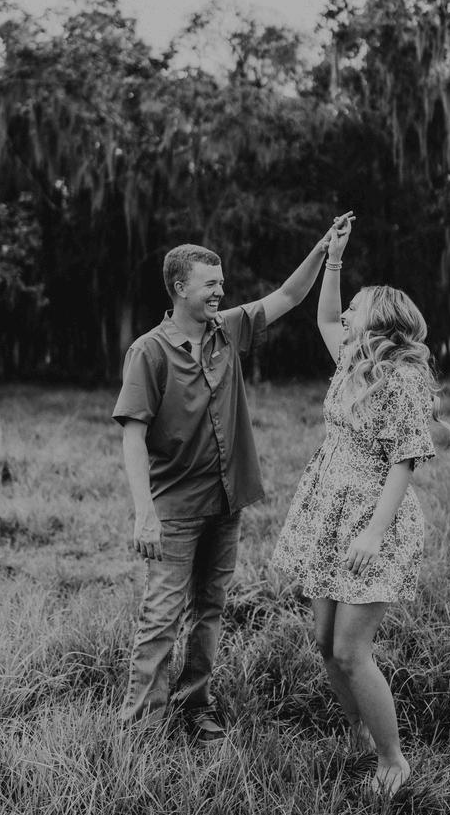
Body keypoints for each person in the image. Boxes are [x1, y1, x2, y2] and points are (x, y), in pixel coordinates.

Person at [112, 213, 354, 742]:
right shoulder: (149, 351)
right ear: (180, 288)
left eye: (221, 283)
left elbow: (288, 296)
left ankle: (194, 705)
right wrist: (144, 513)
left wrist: (323, 250)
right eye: (210, 284)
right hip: (175, 508)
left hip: (226, 501)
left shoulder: (228, 329)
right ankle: (140, 730)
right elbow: (132, 435)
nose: (220, 291)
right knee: (162, 616)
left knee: (210, 611)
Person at [272, 216, 449, 797]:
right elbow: (324, 317)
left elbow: (406, 459)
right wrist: (334, 258)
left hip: (372, 518)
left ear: (380, 321)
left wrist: (373, 532)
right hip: (329, 510)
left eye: (356, 308)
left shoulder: (402, 379)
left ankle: (393, 761)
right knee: (326, 644)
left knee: (351, 650)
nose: (345, 314)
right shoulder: (352, 363)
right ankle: (360, 733)